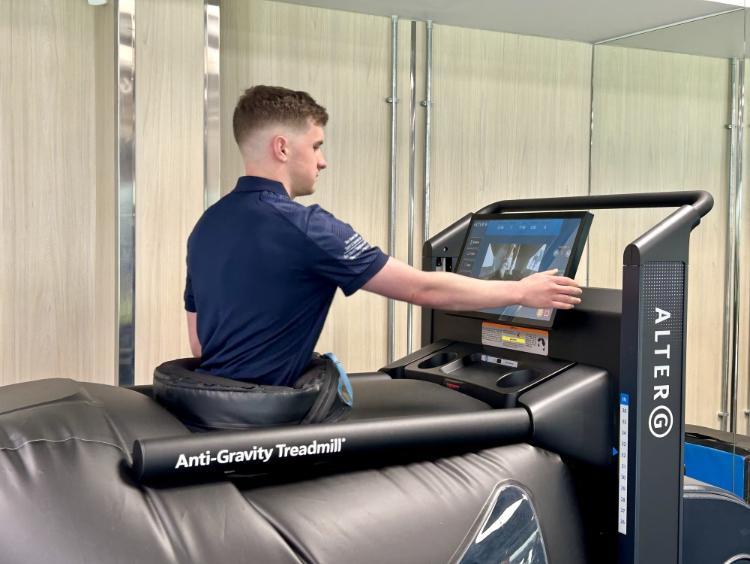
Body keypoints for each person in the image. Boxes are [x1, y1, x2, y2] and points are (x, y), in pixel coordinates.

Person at [184, 85, 582, 386]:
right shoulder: (305, 227)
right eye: (317, 145)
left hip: (216, 407)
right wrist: (521, 292)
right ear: (283, 148)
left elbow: (201, 346)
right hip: (266, 424)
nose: (324, 161)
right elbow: (422, 291)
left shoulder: (207, 225)